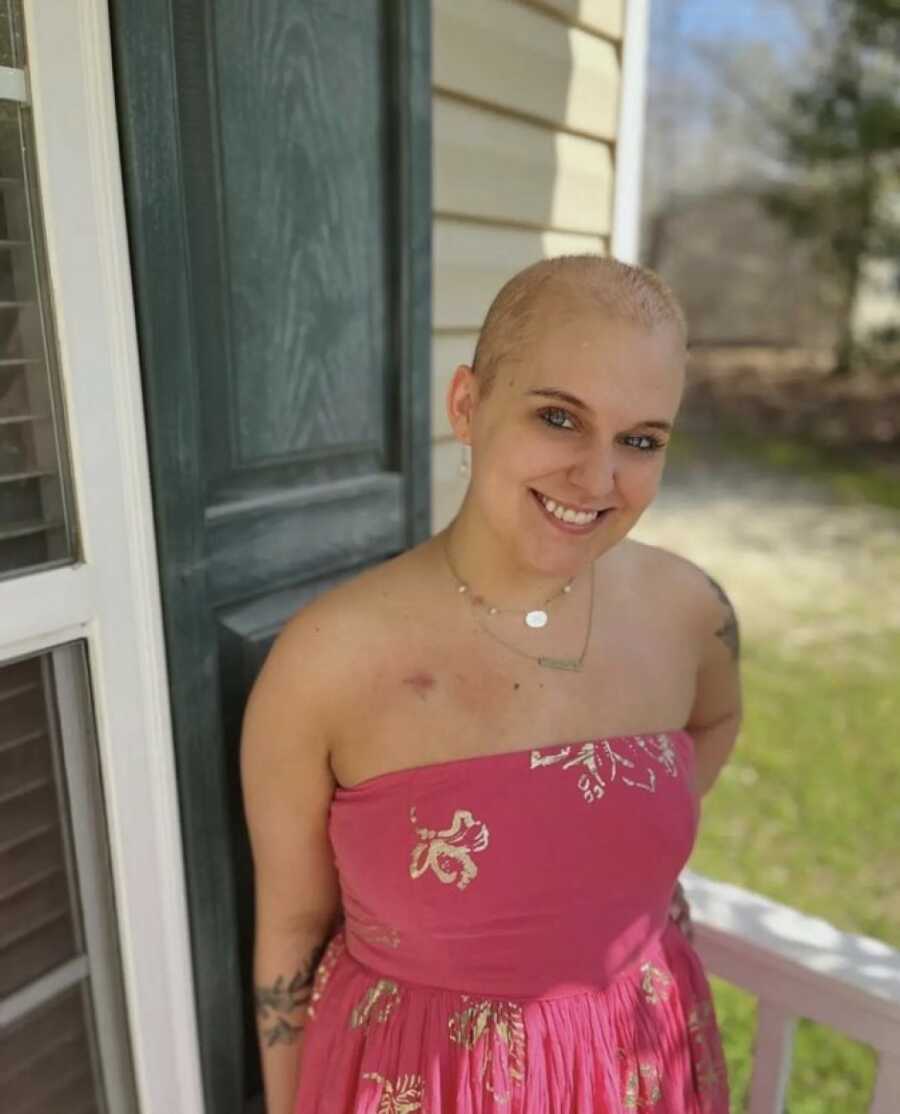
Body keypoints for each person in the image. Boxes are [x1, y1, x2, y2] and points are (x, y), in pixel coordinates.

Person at [241, 254, 742, 1113]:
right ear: (468, 405)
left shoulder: (689, 613)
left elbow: (716, 720)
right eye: (559, 417)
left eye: (641, 440)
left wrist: (604, 849)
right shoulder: (327, 659)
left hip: (637, 1061)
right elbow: (291, 931)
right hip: (427, 1081)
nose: (598, 478)